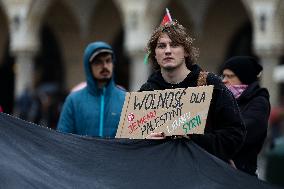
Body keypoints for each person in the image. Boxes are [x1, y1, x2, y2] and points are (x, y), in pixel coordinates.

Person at [140, 20, 246, 162]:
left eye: (174, 45)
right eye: (161, 46)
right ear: (154, 54)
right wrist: (144, 140)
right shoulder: (147, 91)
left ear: (186, 52)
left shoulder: (211, 84)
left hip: (203, 175)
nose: (167, 50)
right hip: (162, 175)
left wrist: (193, 137)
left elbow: (235, 135)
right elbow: (133, 140)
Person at [57, 41, 126, 137]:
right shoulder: (73, 101)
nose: (105, 66)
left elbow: (134, 141)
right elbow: (62, 138)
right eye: (98, 62)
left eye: (108, 61)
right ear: (88, 66)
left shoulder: (125, 99)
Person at [221, 56, 271, 176]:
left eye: (230, 76)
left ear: (244, 77)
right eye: (223, 75)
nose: (224, 80)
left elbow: (244, 131)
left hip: (241, 172)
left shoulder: (258, 102)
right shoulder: (226, 98)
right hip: (220, 167)